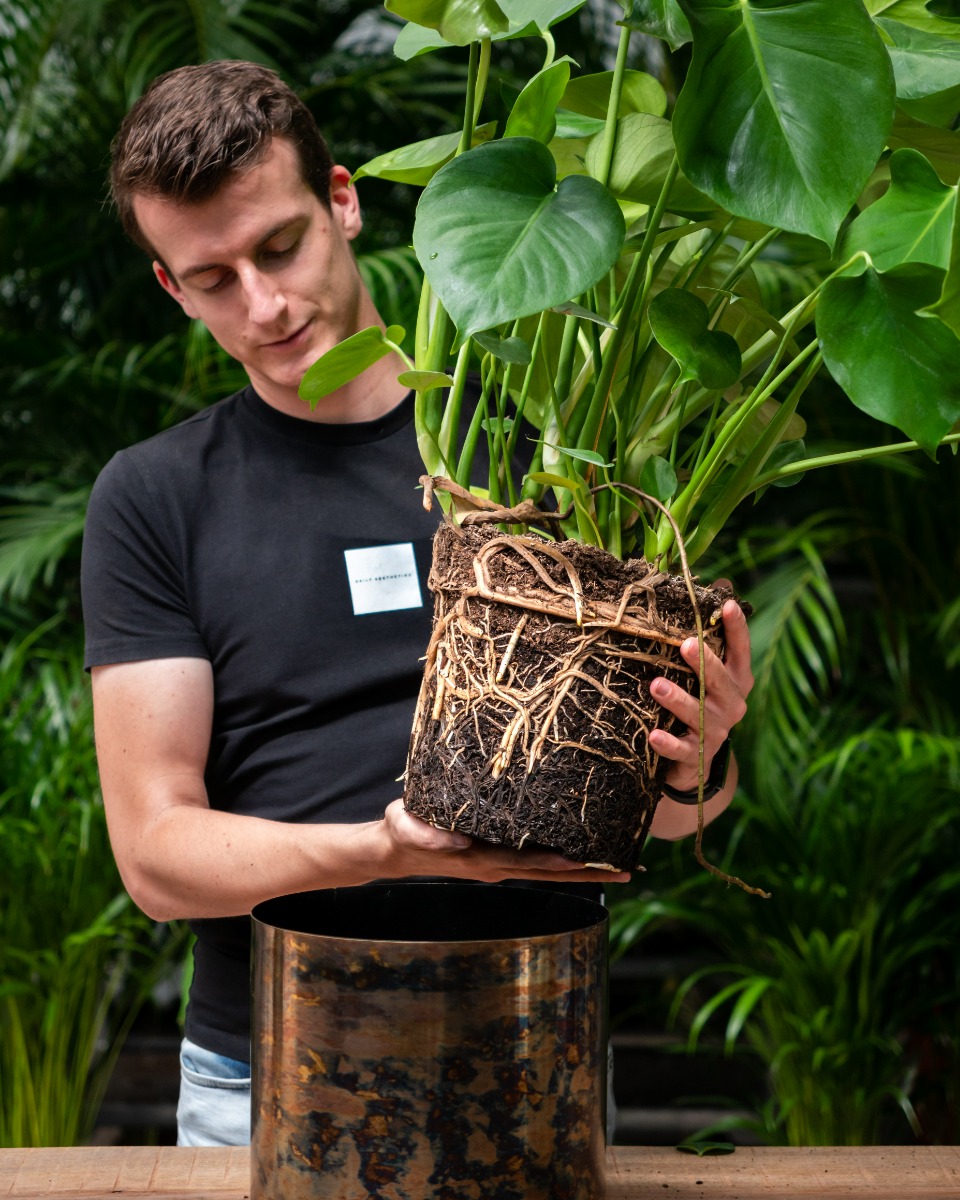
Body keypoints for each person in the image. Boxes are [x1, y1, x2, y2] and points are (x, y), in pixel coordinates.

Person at [81, 60, 754, 1148]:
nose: (263, 304)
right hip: (267, 1067)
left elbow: (671, 813)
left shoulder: (554, 447)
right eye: (211, 279)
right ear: (169, 286)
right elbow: (157, 858)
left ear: (342, 199)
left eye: (280, 245)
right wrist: (387, 850)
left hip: (536, 1045)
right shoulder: (157, 497)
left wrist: (701, 752)